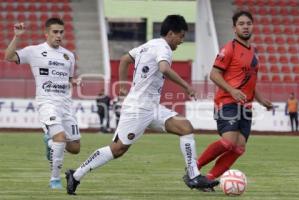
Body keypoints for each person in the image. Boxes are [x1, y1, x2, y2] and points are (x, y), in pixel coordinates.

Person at [65, 14, 219, 195]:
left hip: (151, 107)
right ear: (171, 33)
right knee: (117, 149)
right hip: (138, 108)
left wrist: (123, 85)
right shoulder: (164, 49)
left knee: (185, 127)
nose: (182, 41)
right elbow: (163, 68)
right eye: (181, 36)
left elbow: (124, 59)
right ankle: (76, 175)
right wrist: (186, 86)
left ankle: (193, 175)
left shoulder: (150, 44)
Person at [195, 11, 273, 188]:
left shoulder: (254, 52)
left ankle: (207, 179)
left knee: (239, 147)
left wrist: (261, 100)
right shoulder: (229, 48)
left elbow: (251, 82)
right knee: (229, 142)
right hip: (227, 102)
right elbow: (214, 74)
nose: (245, 27)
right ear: (234, 28)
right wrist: (232, 90)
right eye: (241, 24)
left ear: (252, 26)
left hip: (246, 106)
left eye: (248, 23)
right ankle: (194, 168)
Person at [4, 18, 82, 189]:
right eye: (55, 32)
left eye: (61, 32)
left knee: (75, 147)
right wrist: (17, 37)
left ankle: (49, 142)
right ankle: (55, 180)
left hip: (66, 105)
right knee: (60, 138)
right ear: (46, 33)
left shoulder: (68, 55)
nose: (59, 35)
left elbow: (67, 79)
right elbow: (8, 56)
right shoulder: (34, 51)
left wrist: (74, 82)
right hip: (47, 102)